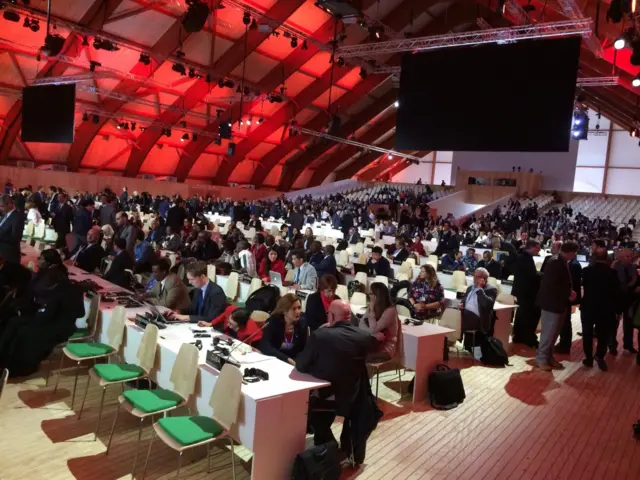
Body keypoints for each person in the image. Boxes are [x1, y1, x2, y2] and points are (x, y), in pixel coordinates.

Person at [296, 300, 377, 448]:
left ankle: (326, 445)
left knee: (304, 405)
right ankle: (328, 443)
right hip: (355, 397)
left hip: (327, 397)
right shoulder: (364, 337)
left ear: (331, 316)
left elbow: (301, 365)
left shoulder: (321, 335)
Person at [0, 264, 85, 377]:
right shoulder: (74, 289)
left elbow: (46, 316)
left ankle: (16, 365)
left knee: (22, 330)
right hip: (64, 325)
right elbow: (81, 313)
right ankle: (8, 360)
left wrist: (35, 317)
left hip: (58, 328)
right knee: (16, 324)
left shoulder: (58, 292)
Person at [536, 241, 579, 371]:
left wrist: (568, 292)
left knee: (553, 333)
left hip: (557, 303)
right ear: (571, 252)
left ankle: (548, 357)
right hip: (551, 304)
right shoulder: (555, 262)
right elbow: (552, 285)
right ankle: (541, 359)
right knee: (548, 333)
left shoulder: (560, 261)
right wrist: (567, 293)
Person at [581, 252, 622, 371]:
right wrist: (618, 311)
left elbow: (584, 286)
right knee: (603, 335)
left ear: (594, 258)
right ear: (607, 259)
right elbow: (616, 293)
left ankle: (588, 358)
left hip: (588, 307)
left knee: (587, 334)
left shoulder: (587, 271)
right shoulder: (612, 273)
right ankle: (599, 356)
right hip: (606, 309)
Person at [458, 267, 498, 353]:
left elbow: (487, 304)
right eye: (474, 276)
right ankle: (445, 343)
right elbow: (464, 301)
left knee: (455, 319)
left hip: (478, 318)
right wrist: (461, 305)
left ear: (484, 279)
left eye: (477, 277)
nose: (474, 278)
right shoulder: (470, 288)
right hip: (466, 314)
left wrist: (480, 289)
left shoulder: (491, 289)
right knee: (451, 313)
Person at [260, 293, 306, 365]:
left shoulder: (302, 324)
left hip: (293, 363)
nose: (298, 312)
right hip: (274, 359)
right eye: (294, 309)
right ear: (284, 311)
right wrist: (286, 359)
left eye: (299, 308)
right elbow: (265, 346)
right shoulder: (273, 322)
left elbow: (303, 349)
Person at [512, 239, 542, 348]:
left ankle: (518, 336)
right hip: (526, 292)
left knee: (521, 315)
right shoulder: (526, 258)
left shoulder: (522, 256)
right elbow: (530, 276)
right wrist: (541, 275)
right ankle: (527, 338)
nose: (538, 251)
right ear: (531, 247)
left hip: (521, 291)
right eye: (537, 248)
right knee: (527, 316)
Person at [360, 282, 401, 362]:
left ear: (377, 296)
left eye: (371, 294)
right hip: (373, 342)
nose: (369, 296)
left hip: (386, 348)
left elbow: (373, 329)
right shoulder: (372, 306)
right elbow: (361, 324)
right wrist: (372, 333)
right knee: (353, 353)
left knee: (360, 358)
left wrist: (371, 311)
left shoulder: (390, 311)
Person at [612, 248, 638, 354]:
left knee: (629, 324)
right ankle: (612, 345)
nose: (630, 258)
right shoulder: (615, 267)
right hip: (617, 299)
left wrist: (630, 286)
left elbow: (634, 281)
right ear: (621, 257)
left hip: (629, 300)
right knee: (614, 323)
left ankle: (628, 345)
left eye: (631, 255)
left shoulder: (633, 267)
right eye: (628, 256)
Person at [0, 194, 24, 264]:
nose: (0, 208)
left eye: (2, 206)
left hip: (8, 254)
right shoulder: (5, 215)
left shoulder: (17, 217)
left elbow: (16, 238)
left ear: (10, 204)